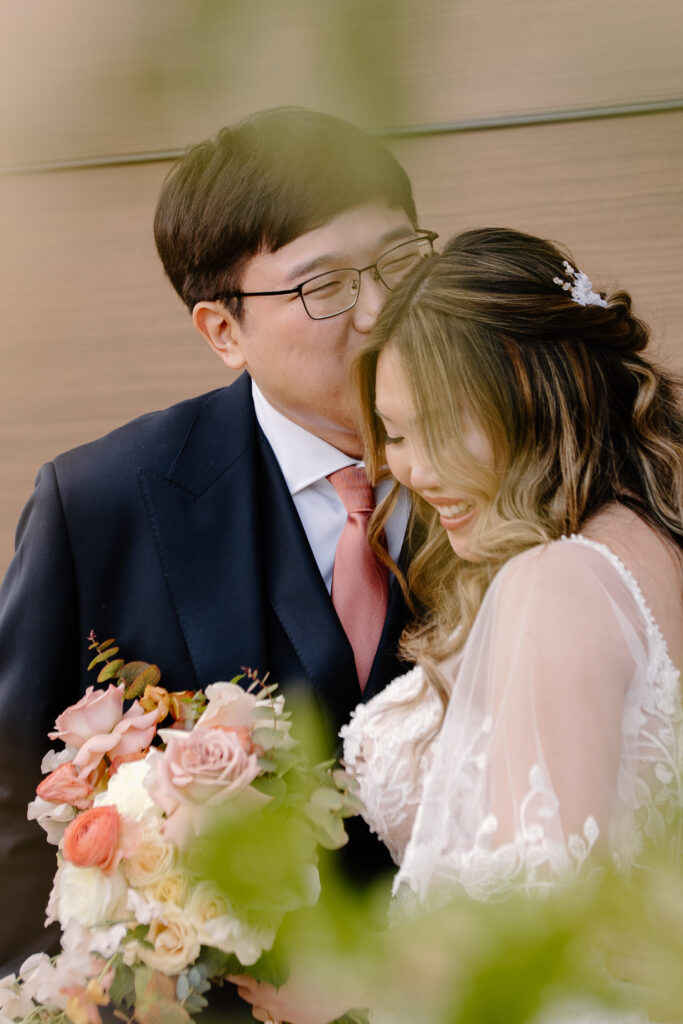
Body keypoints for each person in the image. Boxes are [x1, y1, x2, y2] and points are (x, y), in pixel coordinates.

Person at [0, 107, 436, 975]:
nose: (382, 310)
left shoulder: (530, 465)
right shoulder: (101, 503)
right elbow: (12, 804)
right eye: (325, 286)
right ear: (223, 332)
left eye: (398, 261)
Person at [235, 228, 683, 1022]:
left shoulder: (555, 584)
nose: (411, 470)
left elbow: (534, 932)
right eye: (396, 436)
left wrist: (346, 994)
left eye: (438, 428)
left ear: (529, 391)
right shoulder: (649, 542)